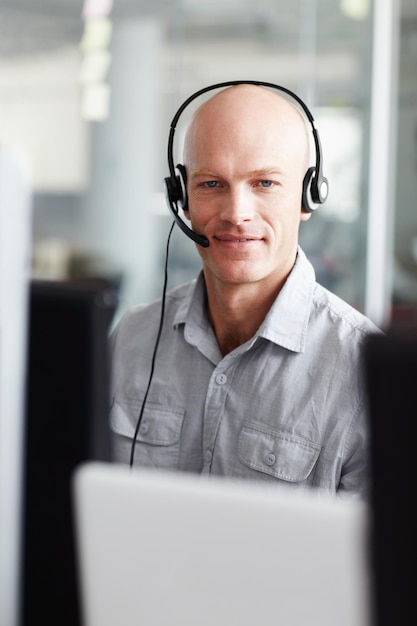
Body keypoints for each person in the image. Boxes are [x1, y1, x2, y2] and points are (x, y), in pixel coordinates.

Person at [109, 83, 380, 498]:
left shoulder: (365, 373)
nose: (237, 214)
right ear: (181, 196)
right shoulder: (132, 338)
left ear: (309, 195)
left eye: (265, 183)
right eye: (212, 184)